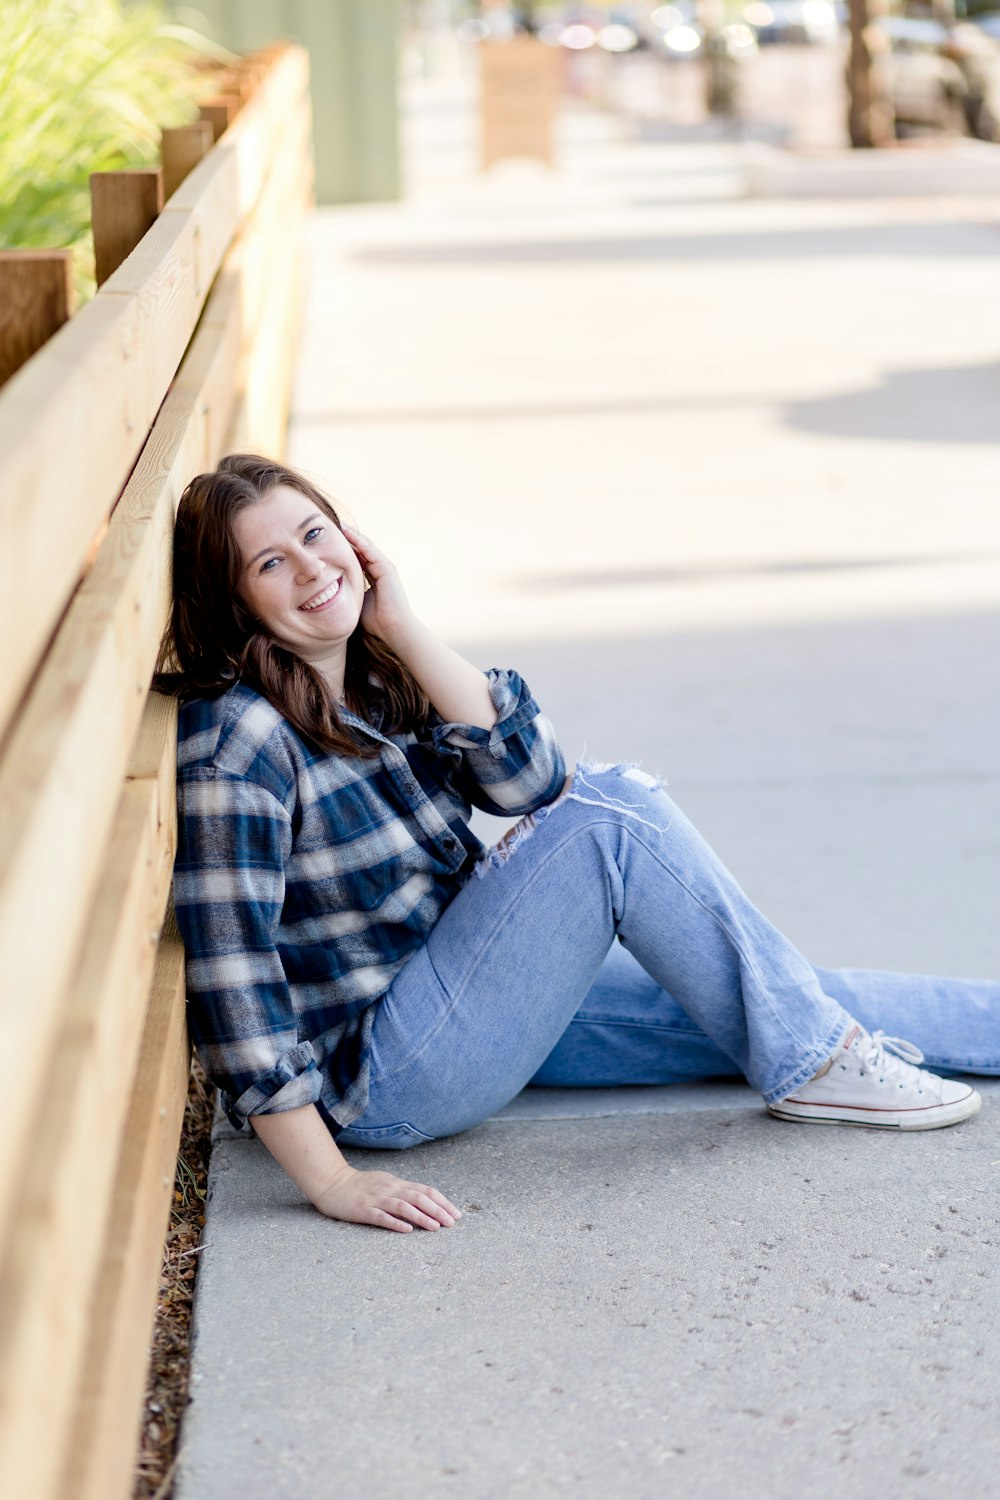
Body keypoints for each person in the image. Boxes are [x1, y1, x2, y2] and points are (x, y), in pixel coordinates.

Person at [158, 454, 995, 1236]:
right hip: (390, 1069)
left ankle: (842, 1049)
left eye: (315, 534)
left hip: (473, 998)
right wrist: (331, 1181)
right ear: (235, 605)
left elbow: (527, 782)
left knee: (771, 993)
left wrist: (403, 623)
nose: (310, 569)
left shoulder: (374, 675)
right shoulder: (241, 739)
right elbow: (236, 979)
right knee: (612, 812)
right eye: (270, 563)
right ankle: (815, 1067)